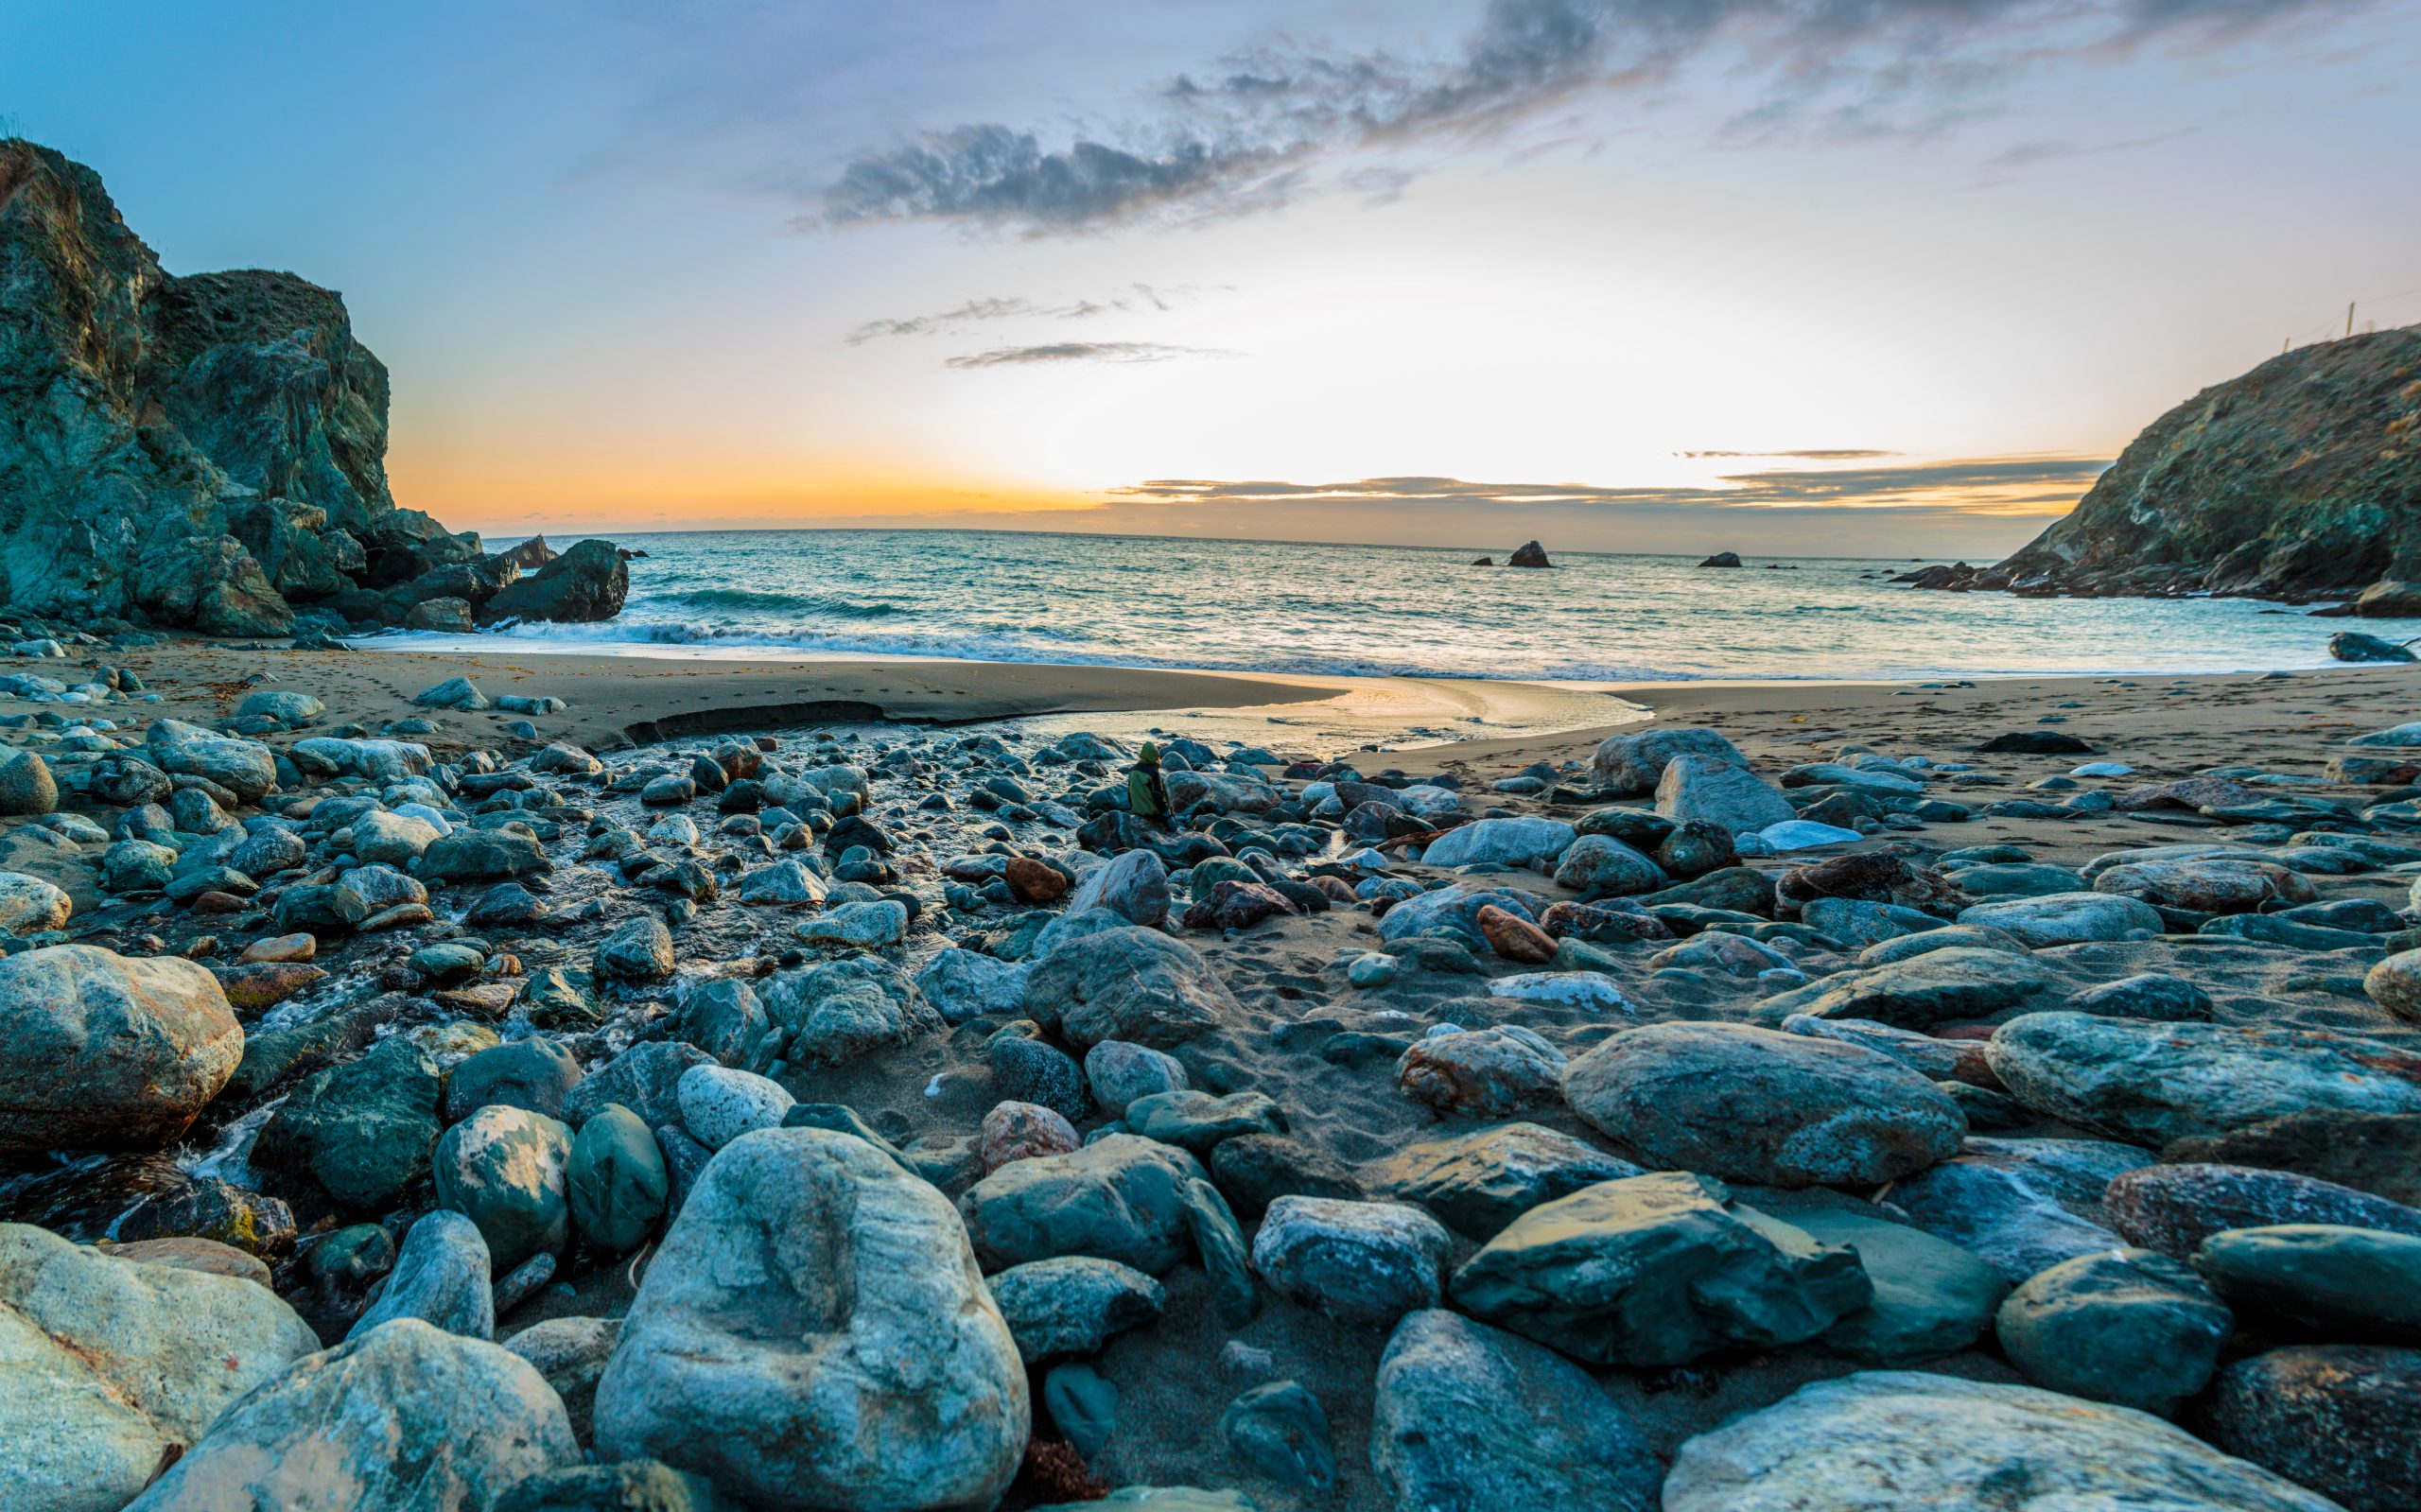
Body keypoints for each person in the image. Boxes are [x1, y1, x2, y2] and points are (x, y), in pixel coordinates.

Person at [1126, 741, 1173, 829]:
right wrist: (1167, 813)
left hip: (1138, 811)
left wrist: (1133, 808)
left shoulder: (1133, 770)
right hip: (1152, 812)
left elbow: (1129, 792)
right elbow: (1157, 795)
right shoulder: (1153, 772)